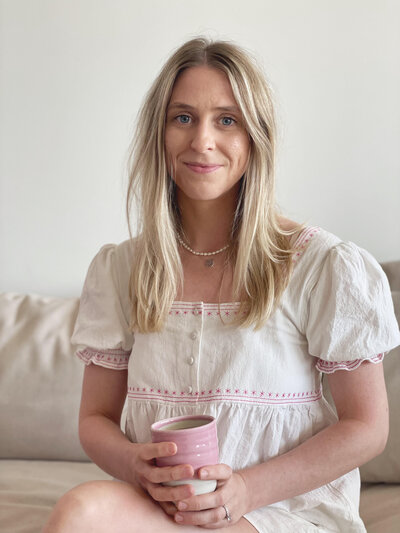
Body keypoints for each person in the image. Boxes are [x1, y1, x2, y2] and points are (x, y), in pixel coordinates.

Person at [43, 37, 400, 533]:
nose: (202, 140)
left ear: (256, 137)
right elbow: (95, 419)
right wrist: (132, 464)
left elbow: (367, 427)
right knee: (78, 513)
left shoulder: (321, 265)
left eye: (227, 120)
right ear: (159, 133)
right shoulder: (121, 269)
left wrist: (248, 489)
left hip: (282, 510)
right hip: (167, 511)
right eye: (183, 117)